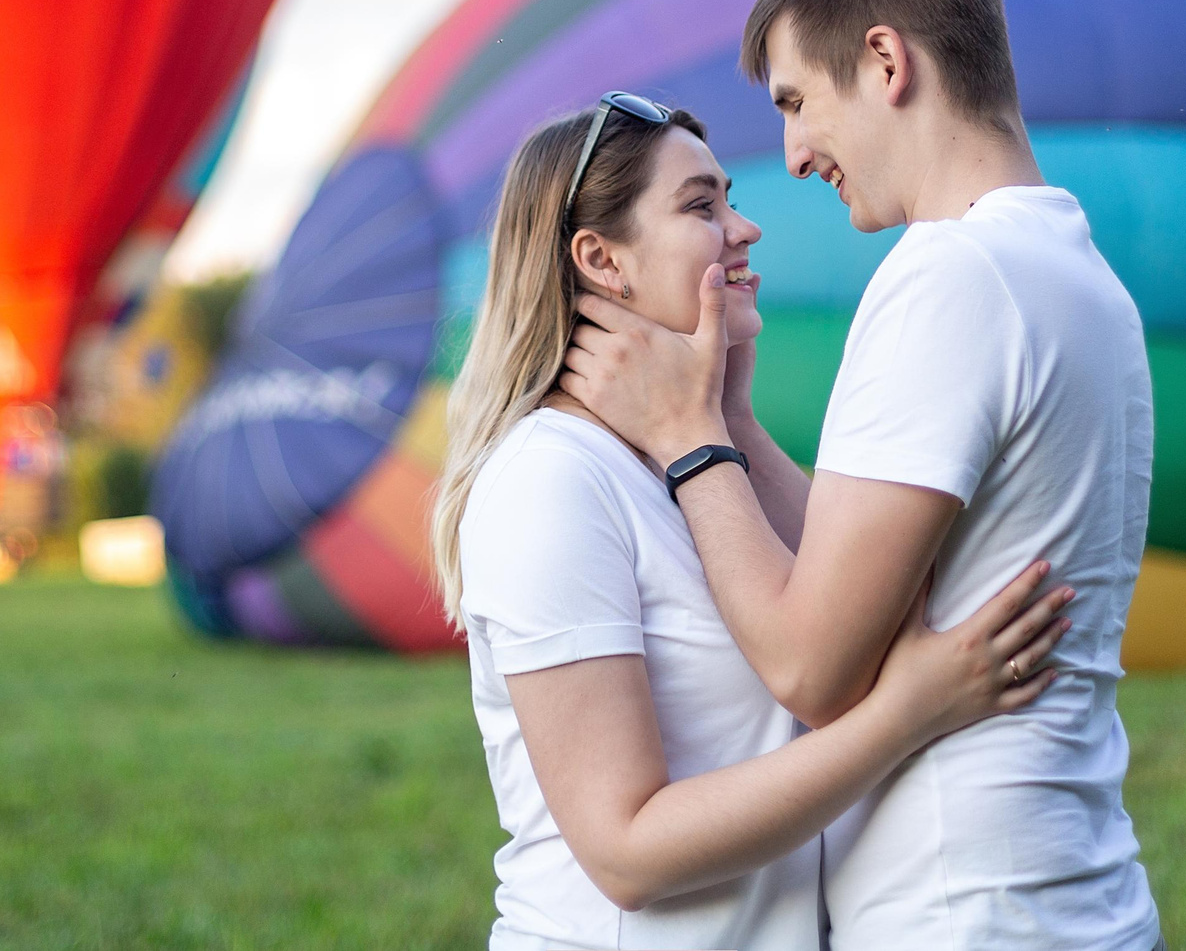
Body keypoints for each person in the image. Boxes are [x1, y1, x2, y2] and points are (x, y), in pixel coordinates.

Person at [561, 0, 1162, 949]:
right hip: (1074, 893)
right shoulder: (1080, 277)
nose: (793, 156)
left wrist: (689, 437)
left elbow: (810, 665)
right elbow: (872, 569)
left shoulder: (949, 273)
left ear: (884, 61)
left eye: (797, 102)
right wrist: (739, 423)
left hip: (965, 914)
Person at [431, 96, 1079, 951]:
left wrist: (726, 417)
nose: (746, 228)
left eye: (729, 199)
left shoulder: (695, 459)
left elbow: (870, 613)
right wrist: (906, 714)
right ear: (602, 260)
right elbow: (626, 850)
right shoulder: (550, 479)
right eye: (702, 206)